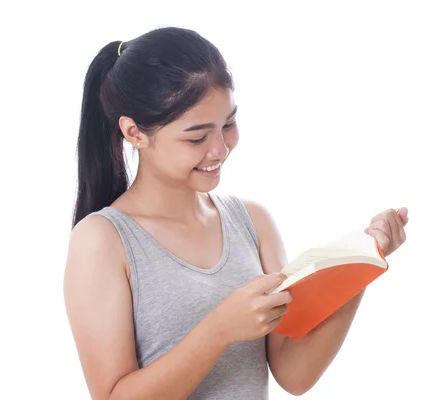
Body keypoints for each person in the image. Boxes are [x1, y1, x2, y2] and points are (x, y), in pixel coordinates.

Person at [63, 26, 409, 400]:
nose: (220, 149)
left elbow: (294, 375)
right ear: (134, 133)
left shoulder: (252, 222)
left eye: (227, 124)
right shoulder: (103, 240)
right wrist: (219, 330)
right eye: (196, 137)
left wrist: (359, 267)